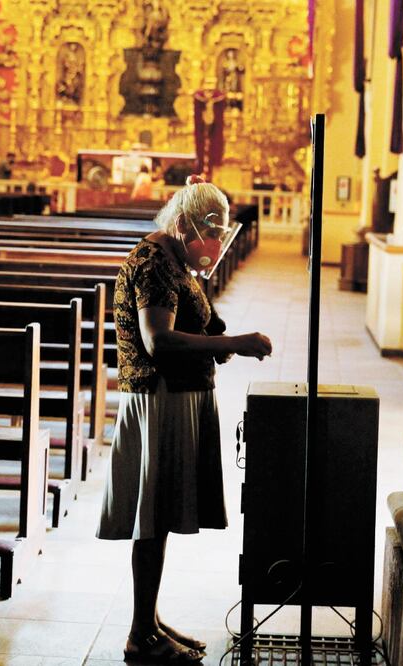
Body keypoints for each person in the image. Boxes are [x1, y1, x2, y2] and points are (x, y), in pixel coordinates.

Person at [96, 175, 272, 663]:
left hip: (177, 399)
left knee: (162, 518)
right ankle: (139, 635)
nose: (215, 244)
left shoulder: (175, 260)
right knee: (152, 521)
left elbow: (198, 322)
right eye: (208, 234)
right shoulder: (154, 262)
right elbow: (160, 341)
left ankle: (149, 620)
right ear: (181, 224)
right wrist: (233, 343)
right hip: (160, 401)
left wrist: (210, 314)